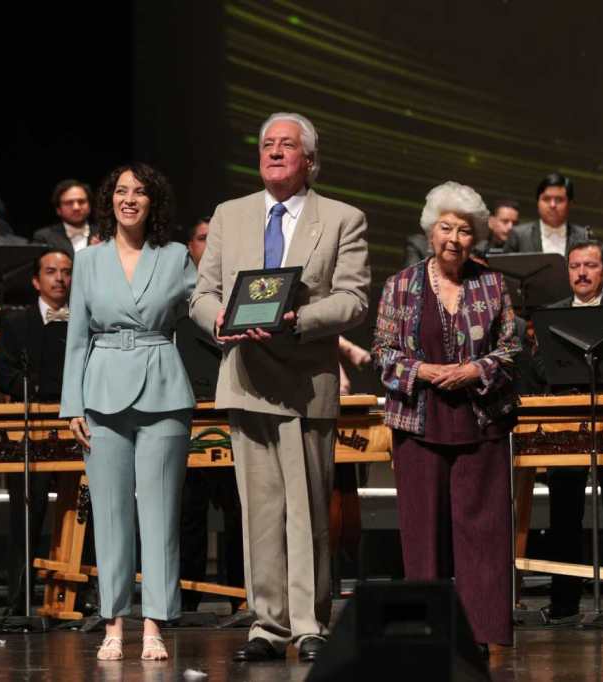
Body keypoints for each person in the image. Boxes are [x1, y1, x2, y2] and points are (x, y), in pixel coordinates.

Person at [190, 112, 370, 663]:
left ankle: (310, 623)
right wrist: (217, 319)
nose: (273, 152)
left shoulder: (342, 218)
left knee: (309, 510)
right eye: (267, 144)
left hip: (304, 378)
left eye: (286, 145)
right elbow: (203, 294)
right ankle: (266, 626)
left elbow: (355, 299)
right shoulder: (231, 214)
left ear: (309, 160)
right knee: (259, 511)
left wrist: (298, 319)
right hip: (246, 377)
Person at [372, 181, 520, 652]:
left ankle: (481, 633)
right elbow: (382, 352)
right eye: (445, 228)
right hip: (419, 423)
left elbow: (512, 348)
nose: (453, 238)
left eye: (463, 230)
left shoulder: (493, 283)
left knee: (482, 533)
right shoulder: (400, 286)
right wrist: (423, 370)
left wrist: (477, 368)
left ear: (475, 237)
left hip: (480, 422)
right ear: (430, 232)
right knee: (423, 535)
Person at [60, 163, 195, 661]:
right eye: (121, 191)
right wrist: (71, 403)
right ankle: (114, 621)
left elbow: (202, 309)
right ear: (109, 200)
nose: (129, 199)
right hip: (102, 390)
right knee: (112, 515)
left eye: (139, 192)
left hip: (163, 387)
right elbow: (77, 336)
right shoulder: (90, 260)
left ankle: (155, 624)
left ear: (152, 202)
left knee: (159, 514)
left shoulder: (176, 256)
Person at [540, 240, 603, 618]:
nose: (581, 273)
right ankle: (564, 602)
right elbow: (540, 367)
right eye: (574, 266)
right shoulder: (551, 314)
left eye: (590, 265)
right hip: (567, 422)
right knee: (564, 514)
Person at [0, 249, 74, 615]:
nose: (60, 278)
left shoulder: (84, 319)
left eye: (67, 272)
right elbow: (5, 373)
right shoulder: (17, 322)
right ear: (36, 281)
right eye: (51, 271)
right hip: (35, 423)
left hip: (77, 421)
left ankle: (81, 593)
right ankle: (19, 598)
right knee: (27, 510)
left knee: (82, 511)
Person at [174, 216, 245, 612]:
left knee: (241, 514)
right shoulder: (178, 296)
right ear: (190, 247)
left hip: (236, 410)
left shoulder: (245, 291)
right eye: (203, 238)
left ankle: (244, 598)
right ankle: (186, 601)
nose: (210, 244)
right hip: (190, 414)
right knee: (188, 514)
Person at [506, 172, 603, 293]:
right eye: (546, 199)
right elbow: (505, 279)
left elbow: (599, 279)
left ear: (570, 204)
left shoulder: (584, 236)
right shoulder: (519, 235)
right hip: (529, 308)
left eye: (559, 200)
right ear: (537, 202)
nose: (552, 205)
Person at [33, 179, 97, 257]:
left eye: (81, 201)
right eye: (69, 203)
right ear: (58, 209)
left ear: (90, 205)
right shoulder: (44, 237)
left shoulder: (105, 233)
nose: (76, 207)